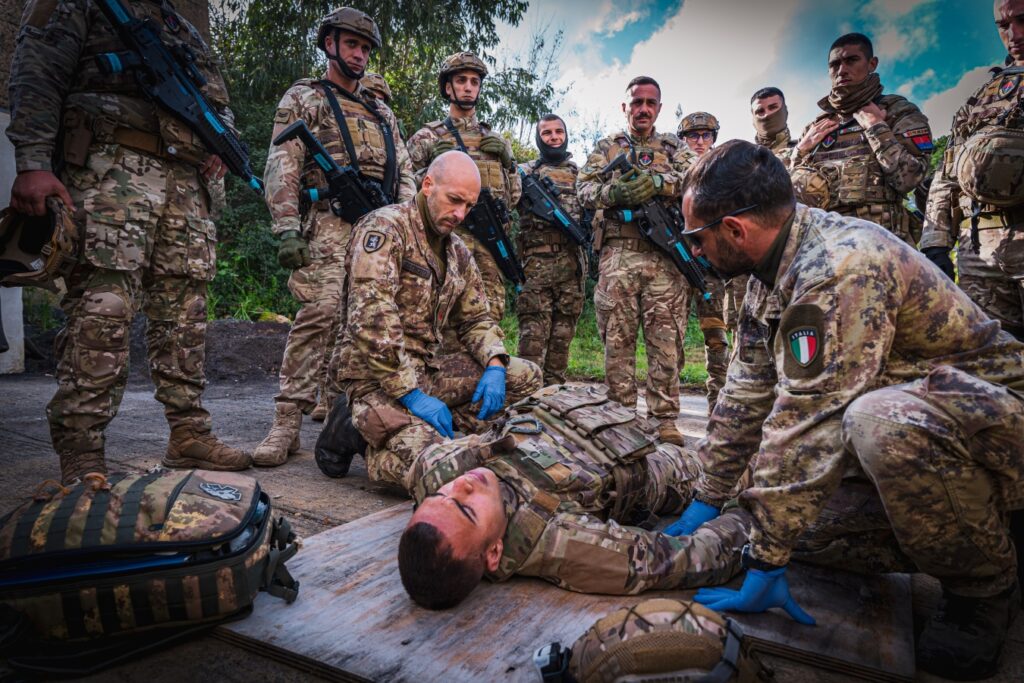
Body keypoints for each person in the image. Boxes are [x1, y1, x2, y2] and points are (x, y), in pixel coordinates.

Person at [671, 140, 1024, 680]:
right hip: (931, 415)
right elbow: (744, 395)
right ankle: (960, 523)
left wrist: (766, 558)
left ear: (736, 230)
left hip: (995, 429)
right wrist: (705, 498)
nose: (693, 250)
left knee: (873, 424)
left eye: (696, 237)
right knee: (795, 524)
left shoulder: (840, 267)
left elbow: (809, 420)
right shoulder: (770, 269)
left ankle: (983, 586)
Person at [7, 0, 251, 483]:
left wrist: (222, 142)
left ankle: (188, 435)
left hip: (184, 180)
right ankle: (82, 449)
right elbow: (38, 70)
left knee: (185, 312)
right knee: (104, 307)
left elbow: (216, 99)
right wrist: (33, 162)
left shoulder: (181, 26)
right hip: (110, 166)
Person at [397, 384, 750, 609]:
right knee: (727, 471)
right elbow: (690, 559)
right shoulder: (565, 544)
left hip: (577, 411)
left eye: (439, 496)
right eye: (465, 509)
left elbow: (434, 465)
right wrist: (747, 518)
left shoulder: (435, 471)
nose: (461, 486)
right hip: (648, 465)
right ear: (495, 553)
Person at [255, 8, 416, 466]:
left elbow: (405, 171)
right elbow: (283, 161)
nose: (360, 55)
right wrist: (286, 226)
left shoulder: (381, 110)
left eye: (366, 48)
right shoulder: (307, 97)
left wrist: (406, 225)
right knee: (321, 313)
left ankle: (339, 419)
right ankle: (286, 423)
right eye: (352, 45)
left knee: (363, 322)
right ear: (330, 44)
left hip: (379, 228)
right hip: (328, 222)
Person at [328, 151, 541, 489]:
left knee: (524, 376)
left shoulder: (456, 251)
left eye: (468, 206)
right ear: (428, 185)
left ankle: (435, 427)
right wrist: (411, 396)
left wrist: (496, 364)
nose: (460, 214)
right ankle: (357, 431)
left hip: (430, 372)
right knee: (443, 471)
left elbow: (475, 319)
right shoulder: (385, 228)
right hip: (378, 379)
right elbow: (371, 317)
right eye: (454, 200)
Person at [576, 77, 694, 446]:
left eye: (650, 103)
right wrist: (615, 191)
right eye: (636, 102)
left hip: (666, 258)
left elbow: (697, 179)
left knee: (666, 342)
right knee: (617, 340)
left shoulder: (675, 147)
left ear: (659, 108)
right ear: (624, 107)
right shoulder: (607, 147)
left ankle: (664, 420)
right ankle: (620, 417)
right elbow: (583, 190)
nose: (643, 108)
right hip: (618, 256)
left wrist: (662, 185)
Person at [922, 0, 1024, 342]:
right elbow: (946, 172)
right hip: (980, 251)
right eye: (1003, 25)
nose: (1014, 35)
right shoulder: (984, 93)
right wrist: (935, 244)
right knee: (992, 366)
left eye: (1022, 20)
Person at [406, 52, 522, 322]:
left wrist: (510, 163)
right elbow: (404, 191)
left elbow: (514, 198)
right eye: (461, 80)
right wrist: (432, 167)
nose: (469, 87)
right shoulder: (428, 136)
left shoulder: (495, 140)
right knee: (436, 315)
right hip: (443, 241)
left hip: (489, 248)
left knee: (488, 318)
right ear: (448, 87)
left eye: (474, 81)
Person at [789, 32, 933, 244]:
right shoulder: (815, 127)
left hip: (882, 244)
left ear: (872, 63)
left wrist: (876, 128)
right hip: (824, 246)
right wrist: (799, 152)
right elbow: (792, 197)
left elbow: (910, 179)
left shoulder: (898, 112)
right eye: (835, 64)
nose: (842, 70)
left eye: (851, 60)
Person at [514, 114, 586, 386]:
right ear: (538, 138)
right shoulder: (524, 173)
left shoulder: (580, 174)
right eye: (547, 133)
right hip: (535, 271)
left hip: (571, 271)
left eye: (559, 132)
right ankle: (524, 404)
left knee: (560, 345)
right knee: (531, 341)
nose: (554, 137)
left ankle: (553, 403)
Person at [677, 111, 729, 415]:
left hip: (713, 266)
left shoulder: (724, 167)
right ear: (683, 140)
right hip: (680, 263)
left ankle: (717, 410)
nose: (699, 141)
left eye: (705, 135)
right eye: (693, 136)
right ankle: (668, 413)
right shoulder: (673, 168)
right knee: (672, 339)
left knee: (717, 339)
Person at [750, 87, 796, 163]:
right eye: (760, 111)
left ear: (785, 111)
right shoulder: (743, 159)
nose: (767, 114)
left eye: (773, 107)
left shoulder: (809, 150)